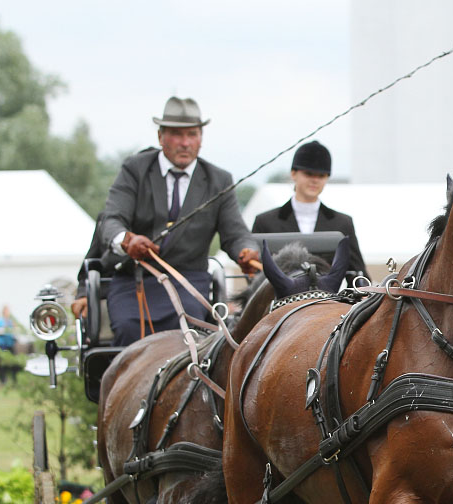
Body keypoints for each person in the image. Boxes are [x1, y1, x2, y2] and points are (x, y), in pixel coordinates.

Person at [99, 97, 260, 346]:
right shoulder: (135, 169)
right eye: (176, 135)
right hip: (135, 279)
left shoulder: (219, 179)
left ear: (201, 138)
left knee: (188, 330)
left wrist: (247, 252)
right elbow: (111, 220)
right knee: (128, 328)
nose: (185, 143)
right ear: (161, 136)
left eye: (192, 134)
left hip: (188, 281)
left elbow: (236, 234)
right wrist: (127, 240)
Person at [252, 141, 367, 283]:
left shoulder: (342, 223)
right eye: (308, 174)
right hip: (280, 301)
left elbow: (358, 273)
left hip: (327, 300)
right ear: (293, 174)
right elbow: (255, 277)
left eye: (321, 176)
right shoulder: (265, 222)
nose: (315, 180)